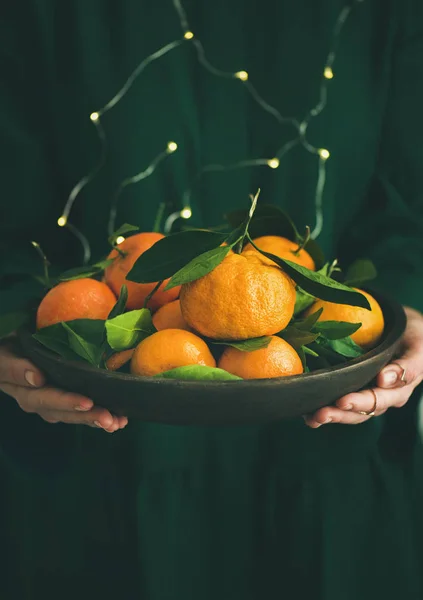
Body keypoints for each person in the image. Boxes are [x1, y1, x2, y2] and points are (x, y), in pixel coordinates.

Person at [1, 1, 423, 598]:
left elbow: (409, 204)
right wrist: (13, 325)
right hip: (96, 459)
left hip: (328, 454)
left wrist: (412, 308)